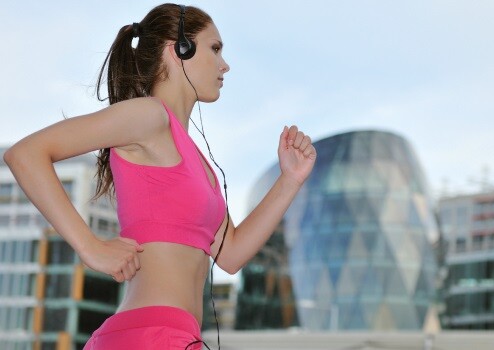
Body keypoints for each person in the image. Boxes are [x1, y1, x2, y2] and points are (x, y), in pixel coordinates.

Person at [4, 3, 316, 349]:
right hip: (148, 334)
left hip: (177, 337)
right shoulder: (149, 116)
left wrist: (290, 179)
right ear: (178, 49)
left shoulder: (198, 162)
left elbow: (231, 254)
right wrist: (89, 246)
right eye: (215, 48)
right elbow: (26, 154)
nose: (224, 64)